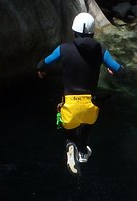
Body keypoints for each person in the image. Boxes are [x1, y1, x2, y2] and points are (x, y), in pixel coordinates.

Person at [37, 12, 124, 174]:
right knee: (88, 124)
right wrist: (113, 70)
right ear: (92, 33)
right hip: (89, 105)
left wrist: (41, 71)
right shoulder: (101, 51)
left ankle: (71, 145)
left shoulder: (63, 49)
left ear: (74, 32)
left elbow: (42, 63)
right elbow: (120, 71)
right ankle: (83, 151)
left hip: (69, 106)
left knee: (70, 133)